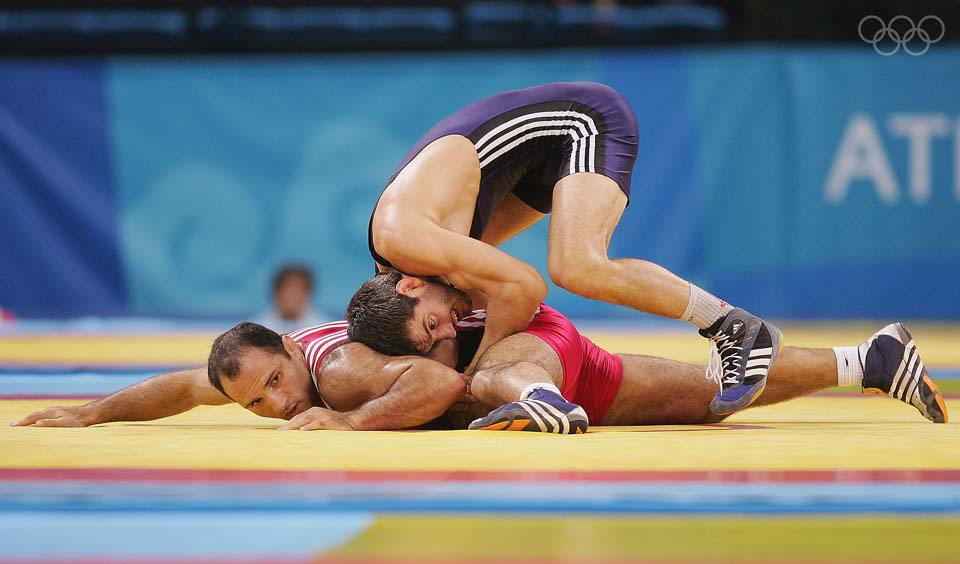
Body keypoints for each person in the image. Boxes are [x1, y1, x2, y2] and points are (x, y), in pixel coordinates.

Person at [359, 81, 780, 417]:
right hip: (527, 165)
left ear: (409, 287)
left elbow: (525, 286)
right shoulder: (416, 275)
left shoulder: (405, 238)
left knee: (576, 266)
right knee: (493, 300)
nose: (447, 331)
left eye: (433, 325)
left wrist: (475, 372)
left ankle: (732, 325)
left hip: (580, 120)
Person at [12, 287, 947, 430]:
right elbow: (182, 384)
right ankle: (868, 357)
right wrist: (93, 413)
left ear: (287, 357)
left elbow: (440, 380)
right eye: (254, 404)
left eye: (269, 387)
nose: (269, 407)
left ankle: (543, 405)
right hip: (556, 345)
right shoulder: (294, 355)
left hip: (520, 353)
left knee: (492, 380)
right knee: (711, 394)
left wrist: (344, 419)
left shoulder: (334, 374)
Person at [256, 264, 331, 333]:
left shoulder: (325, 330)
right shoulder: (256, 329)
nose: (292, 298)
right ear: (276, 292)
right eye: (289, 292)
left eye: (297, 292)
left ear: (307, 294)